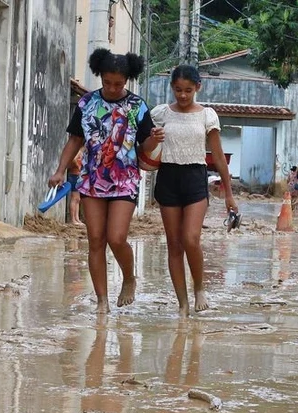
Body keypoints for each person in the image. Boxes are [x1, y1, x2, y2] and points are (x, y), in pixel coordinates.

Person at [49, 48, 155, 314]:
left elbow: (147, 147)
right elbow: (75, 139)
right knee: (95, 239)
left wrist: (155, 140)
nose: (112, 88)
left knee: (116, 238)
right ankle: (102, 301)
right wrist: (60, 170)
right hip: (91, 180)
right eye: (107, 82)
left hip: (125, 180)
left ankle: (129, 278)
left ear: (127, 80)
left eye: (118, 84)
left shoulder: (138, 106)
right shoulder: (86, 103)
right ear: (100, 76)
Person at [150, 64, 237, 317]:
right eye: (178, 90)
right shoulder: (160, 113)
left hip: (196, 178)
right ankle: (182, 303)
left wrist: (229, 193)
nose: (183, 95)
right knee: (174, 245)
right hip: (168, 177)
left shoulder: (207, 115)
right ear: (172, 87)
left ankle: (199, 288)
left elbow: (218, 156)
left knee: (190, 238)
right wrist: (153, 138)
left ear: (198, 87)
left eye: (188, 90)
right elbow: (144, 147)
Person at [67, 149, 84, 225]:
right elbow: (73, 160)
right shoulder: (77, 151)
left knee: (78, 199)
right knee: (74, 198)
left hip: (78, 175)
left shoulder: (81, 151)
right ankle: (72, 219)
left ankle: (76, 218)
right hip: (74, 175)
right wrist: (78, 166)